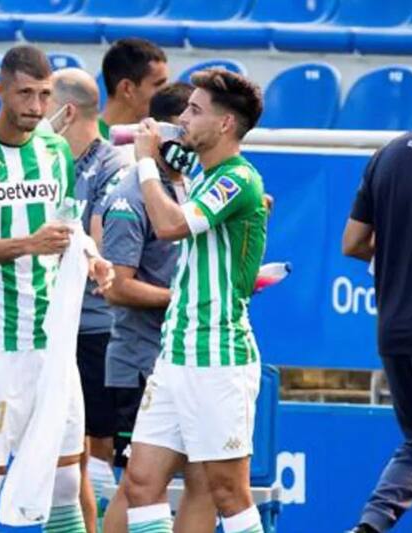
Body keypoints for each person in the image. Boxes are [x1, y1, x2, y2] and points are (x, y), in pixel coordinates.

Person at [0, 45, 113, 533]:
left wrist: (91, 258)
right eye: (25, 94)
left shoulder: (55, 150)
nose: (36, 107)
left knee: (64, 480)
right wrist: (26, 244)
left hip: (51, 343)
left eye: (43, 95)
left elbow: (64, 229)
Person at [124, 68, 268, 533]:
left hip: (218, 356)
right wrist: (161, 143)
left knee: (229, 493)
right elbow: (178, 157)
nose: (182, 117)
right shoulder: (206, 173)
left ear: (225, 125)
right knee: (142, 483)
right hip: (177, 353)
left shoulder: (237, 179)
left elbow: (168, 227)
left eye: (194, 110)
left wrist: (145, 160)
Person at [100, 81, 216, 533]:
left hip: (181, 358)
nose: (190, 139)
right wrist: (188, 298)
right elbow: (116, 286)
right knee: (139, 484)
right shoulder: (131, 196)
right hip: (139, 363)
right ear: (162, 130)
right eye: (184, 128)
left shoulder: (189, 185)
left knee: (202, 479)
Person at [342, 59, 412, 533]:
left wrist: (404, 238)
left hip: (395, 331)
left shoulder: (389, 153)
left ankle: (369, 526)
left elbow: (354, 243)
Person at [45, 67, 131, 532]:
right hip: (52, 328)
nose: (38, 115)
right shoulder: (47, 161)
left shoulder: (112, 167)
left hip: (97, 328)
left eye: (44, 104)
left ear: (66, 111)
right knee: (63, 451)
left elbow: (103, 250)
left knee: (95, 448)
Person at [98, 38, 169, 140]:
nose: (167, 92)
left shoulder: (165, 142)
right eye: (158, 85)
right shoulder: (83, 144)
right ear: (127, 89)